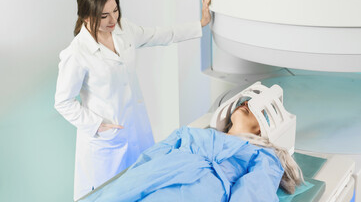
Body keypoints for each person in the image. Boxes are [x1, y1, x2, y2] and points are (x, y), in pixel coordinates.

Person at [54, 0, 212, 200]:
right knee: (110, 194)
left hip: (136, 127)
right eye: (104, 15)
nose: (113, 19)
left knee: (143, 187)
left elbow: (160, 34)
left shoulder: (124, 29)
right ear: (87, 16)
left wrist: (201, 24)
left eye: (115, 10)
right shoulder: (77, 53)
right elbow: (63, 102)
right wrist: (98, 125)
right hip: (107, 140)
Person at [79, 95, 304, 202]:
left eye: (256, 109)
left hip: (198, 188)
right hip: (150, 177)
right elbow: (148, 160)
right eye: (244, 102)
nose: (246, 104)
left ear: (262, 130)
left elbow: (254, 193)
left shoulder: (261, 154)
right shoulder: (191, 133)